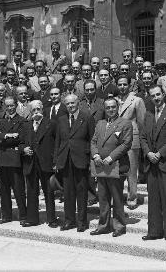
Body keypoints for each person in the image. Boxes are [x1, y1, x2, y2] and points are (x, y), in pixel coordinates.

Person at [140, 85, 166, 244]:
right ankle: (154, 231)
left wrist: (159, 153)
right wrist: (148, 153)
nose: (156, 98)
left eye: (158, 94)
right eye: (153, 96)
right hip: (152, 163)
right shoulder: (149, 114)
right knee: (154, 200)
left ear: (163, 95)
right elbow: (143, 137)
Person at [90, 98, 133, 237]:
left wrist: (111, 157)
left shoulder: (125, 123)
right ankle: (103, 225)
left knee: (117, 198)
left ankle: (119, 226)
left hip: (116, 165)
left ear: (118, 107)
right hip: (101, 166)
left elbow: (126, 144)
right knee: (103, 198)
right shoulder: (100, 123)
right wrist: (96, 155)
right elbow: (94, 141)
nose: (110, 110)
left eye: (113, 107)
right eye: (108, 107)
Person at [53, 94, 95, 232]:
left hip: (81, 159)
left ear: (78, 103)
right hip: (65, 160)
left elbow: (92, 139)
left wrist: (90, 158)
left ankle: (82, 222)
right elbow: (58, 141)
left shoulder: (87, 117)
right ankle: (69, 220)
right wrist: (56, 160)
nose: (71, 106)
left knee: (82, 191)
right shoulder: (61, 119)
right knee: (68, 192)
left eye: (73, 103)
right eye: (68, 104)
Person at [20, 100, 59, 228]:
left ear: (42, 110)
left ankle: (51, 219)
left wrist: (55, 161)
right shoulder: (26, 126)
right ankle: (32, 219)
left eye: (38, 109)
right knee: (31, 191)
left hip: (46, 163)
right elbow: (20, 143)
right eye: (33, 110)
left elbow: (57, 143)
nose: (36, 112)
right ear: (30, 112)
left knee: (48, 191)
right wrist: (24, 149)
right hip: (31, 163)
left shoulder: (51, 124)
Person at [0, 97, 27, 224]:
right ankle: (6, 215)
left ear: (16, 106)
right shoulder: (0, 121)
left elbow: (20, 138)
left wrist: (4, 138)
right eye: (7, 106)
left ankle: (23, 216)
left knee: (18, 189)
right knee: (4, 190)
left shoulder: (22, 121)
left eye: (12, 105)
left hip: (15, 159)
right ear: (4, 107)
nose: (10, 108)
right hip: (2, 159)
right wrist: (7, 135)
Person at [116, 76, 146, 209]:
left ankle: (132, 197)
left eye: (124, 84)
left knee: (132, 170)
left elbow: (142, 122)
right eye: (119, 84)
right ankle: (116, 197)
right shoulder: (114, 101)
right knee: (116, 169)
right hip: (116, 140)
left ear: (129, 85)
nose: (122, 87)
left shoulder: (137, 100)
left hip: (132, 138)